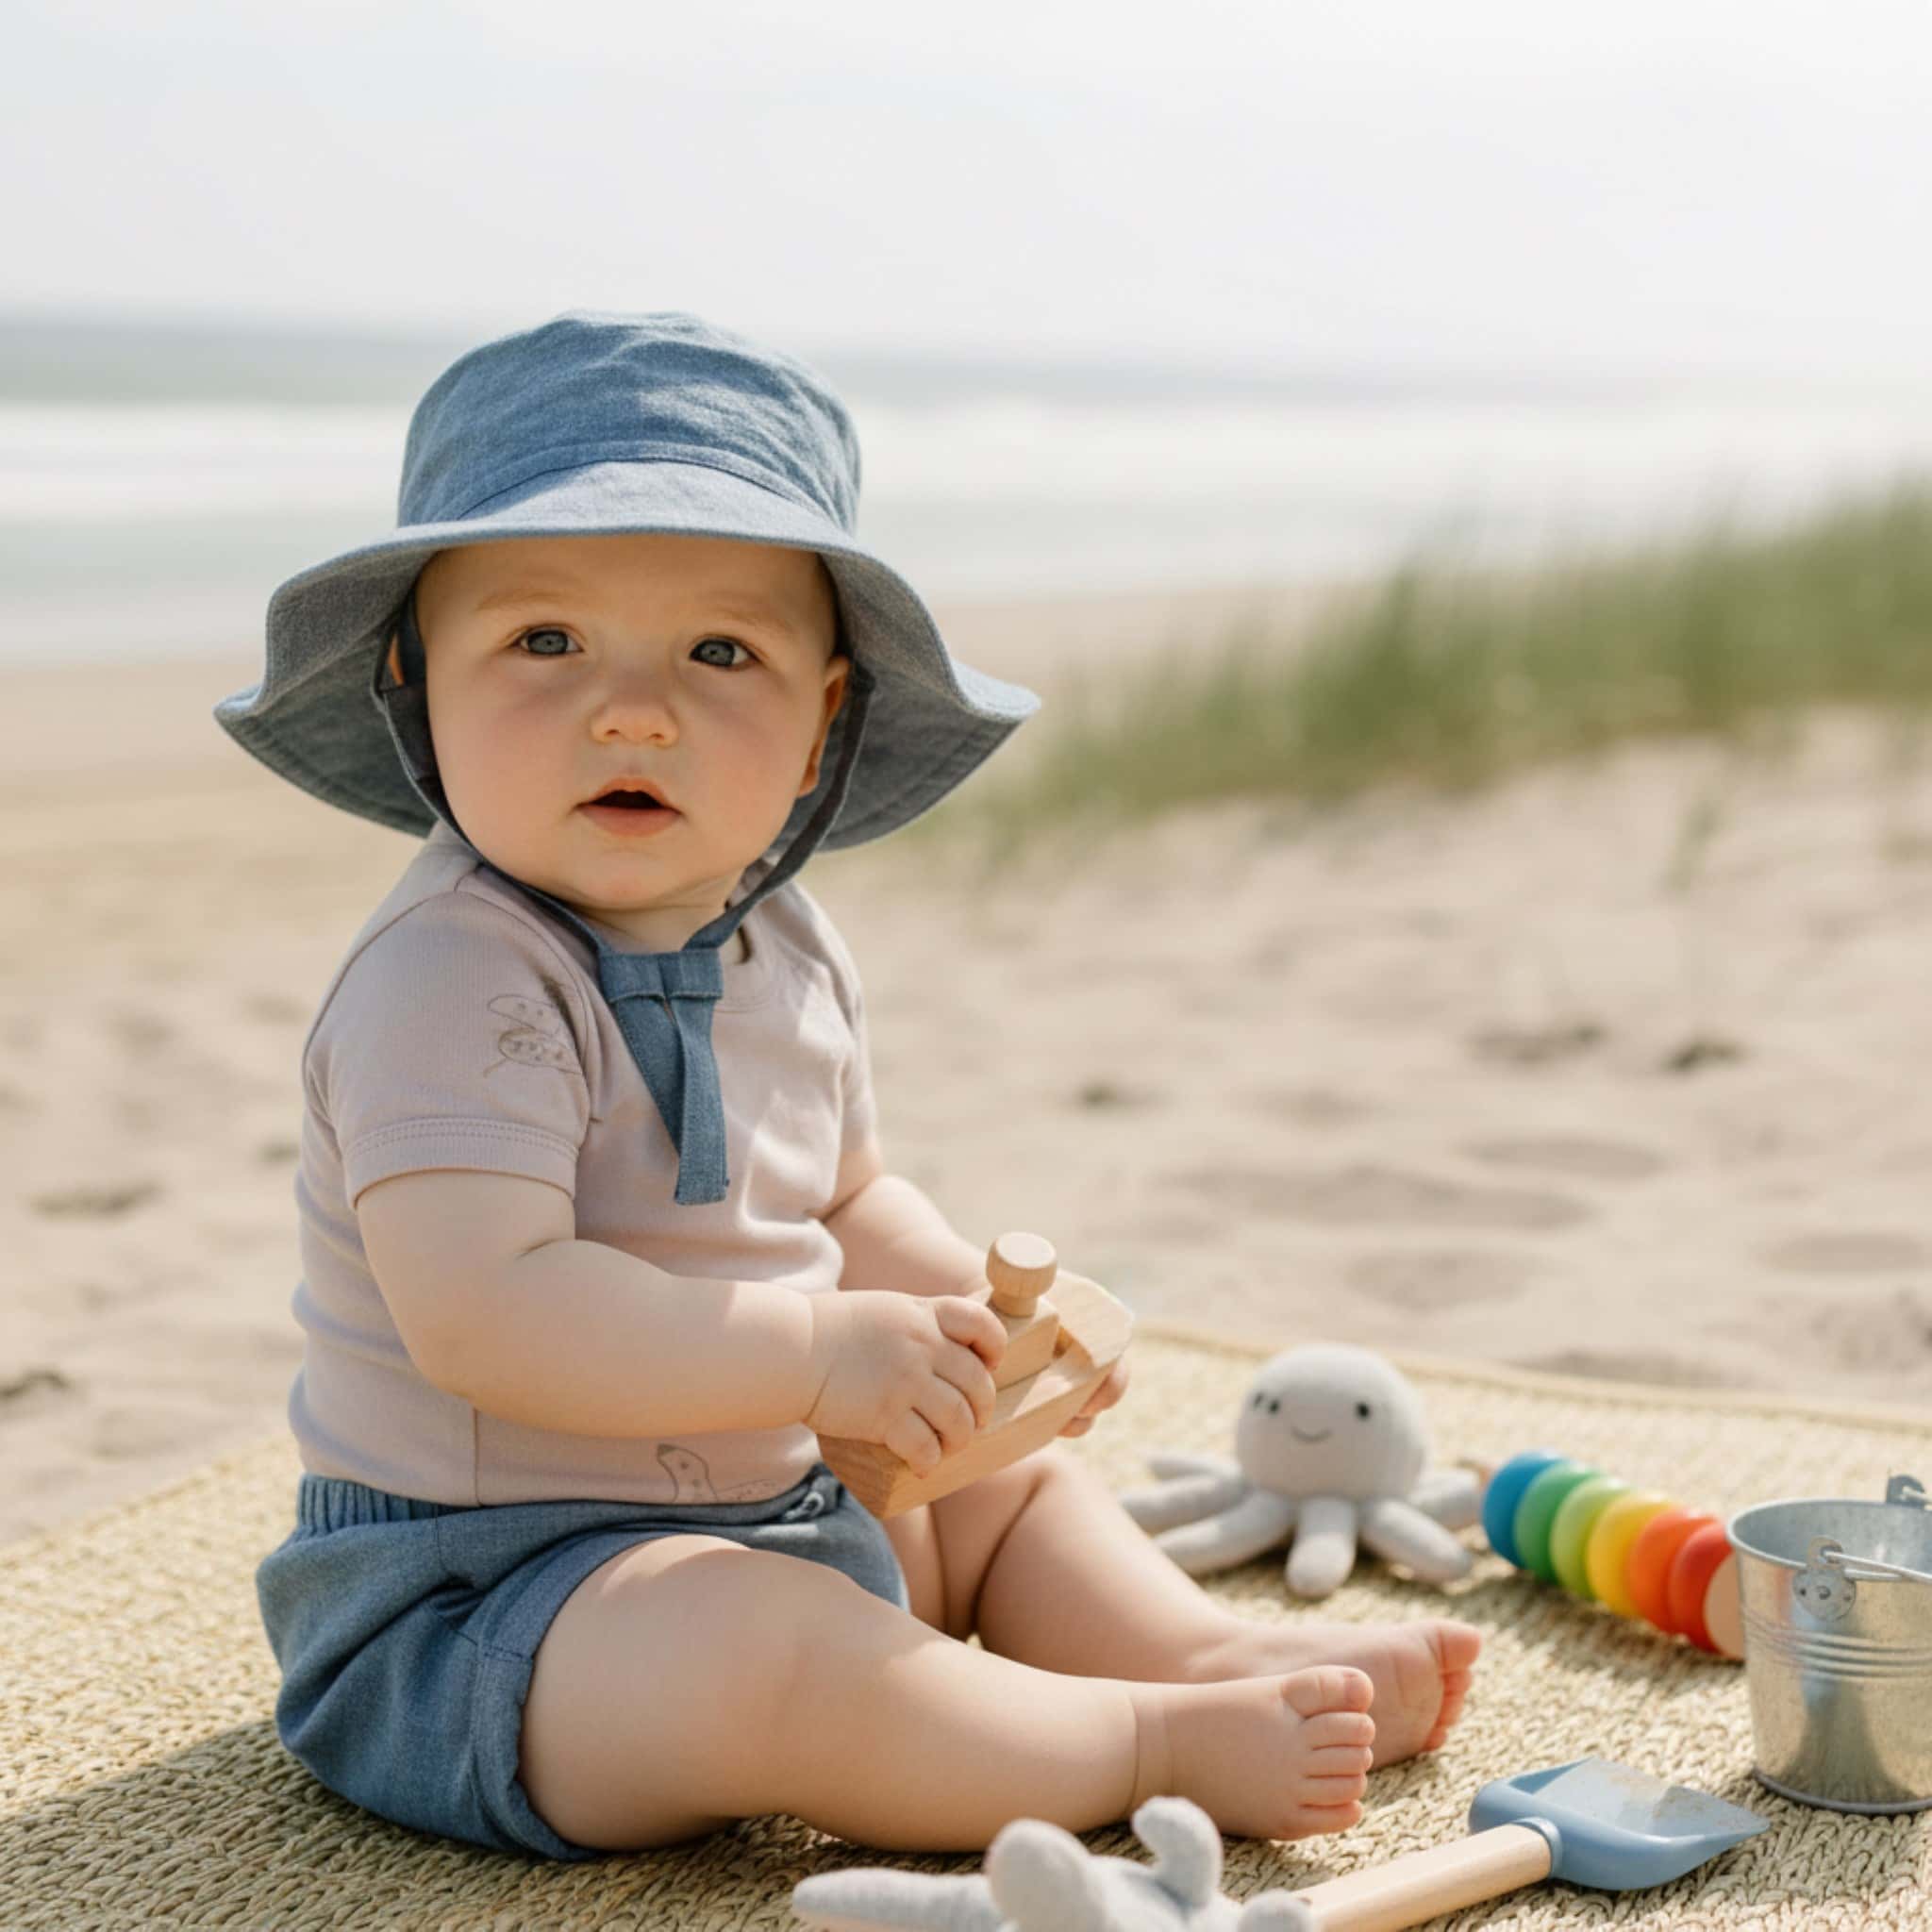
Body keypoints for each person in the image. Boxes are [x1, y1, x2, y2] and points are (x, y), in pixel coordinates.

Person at [218, 312, 1480, 1861]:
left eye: (720, 651)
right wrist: (823, 1358)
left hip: (784, 1511)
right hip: (497, 1611)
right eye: (543, 641)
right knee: (766, 1656)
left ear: (823, 723)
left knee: (1003, 1500)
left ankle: (1191, 1654)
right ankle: (1133, 1743)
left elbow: (847, 1198)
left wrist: (971, 1327)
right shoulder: (448, 978)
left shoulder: (788, 942)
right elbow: (487, 1313)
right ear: (417, 686)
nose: (631, 709)